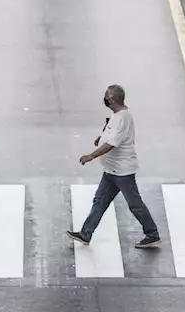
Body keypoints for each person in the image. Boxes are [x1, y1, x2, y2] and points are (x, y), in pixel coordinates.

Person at [67, 84, 162, 250]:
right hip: (111, 170)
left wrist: (91, 156)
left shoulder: (123, 117)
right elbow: (110, 136)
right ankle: (86, 234)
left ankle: (152, 234)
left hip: (122, 172)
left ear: (111, 100)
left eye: (106, 96)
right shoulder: (116, 116)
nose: (104, 99)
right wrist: (101, 138)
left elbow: (113, 143)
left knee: (135, 204)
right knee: (99, 202)